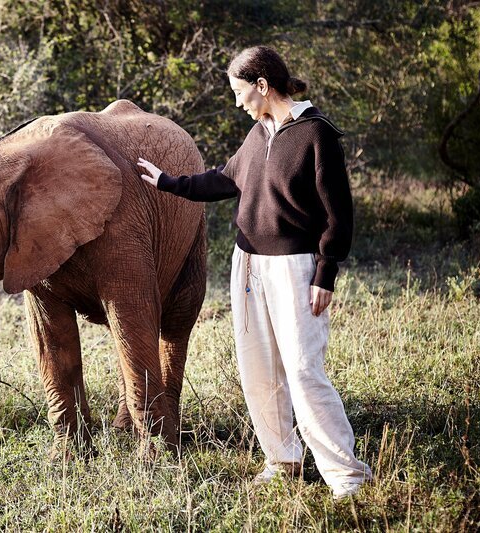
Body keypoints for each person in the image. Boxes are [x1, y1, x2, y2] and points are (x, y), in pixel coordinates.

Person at [137, 45, 372, 500]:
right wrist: (168, 182)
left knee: (303, 370)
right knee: (258, 367)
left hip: (295, 267)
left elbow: (338, 214)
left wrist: (326, 271)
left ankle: (348, 477)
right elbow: (227, 179)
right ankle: (282, 459)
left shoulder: (316, 134)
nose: (237, 101)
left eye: (240, 91)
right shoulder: (259, 132)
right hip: (248, 264)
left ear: (262, 85)